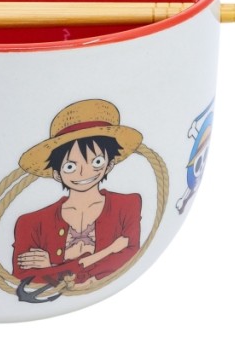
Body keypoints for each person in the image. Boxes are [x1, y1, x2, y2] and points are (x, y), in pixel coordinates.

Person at [12, 99, 142, 289]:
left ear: (110, 164)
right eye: (70, 166)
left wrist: (51, 269)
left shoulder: (127, 205)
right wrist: (109, 251)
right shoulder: (31, 223)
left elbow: (130, 255)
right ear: (57, 174)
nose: (84, 173)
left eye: (96, 162)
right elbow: (23, 278)